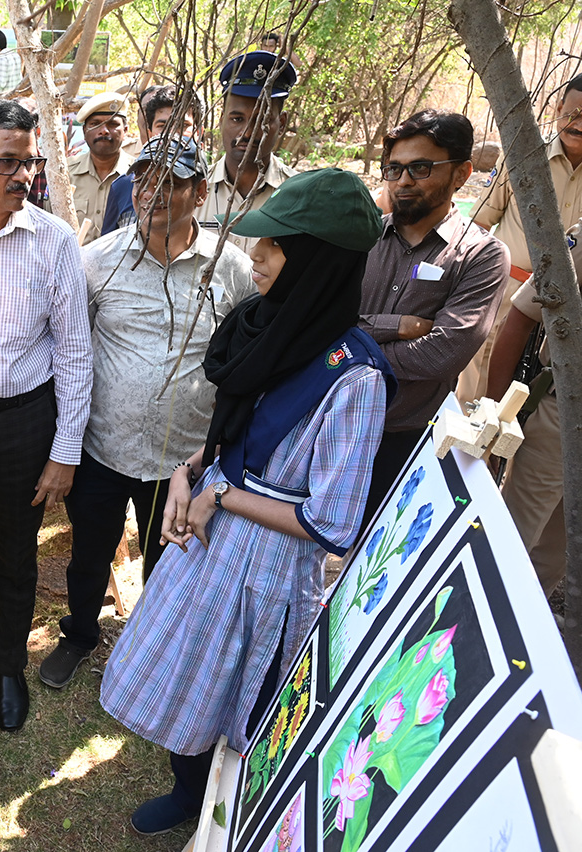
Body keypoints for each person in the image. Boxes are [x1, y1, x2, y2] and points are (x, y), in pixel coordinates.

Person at [100, 169, 395, 837]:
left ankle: (233, 818)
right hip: (214, 526)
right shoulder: (267, 326)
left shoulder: (354, 376)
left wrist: (224, 497)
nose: (255, 258)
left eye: (275, 248)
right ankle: (187, 792)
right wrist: (188, 471)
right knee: (191, 670)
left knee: (242, 691)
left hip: (266, 562)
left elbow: (330, 519)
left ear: (317, 264)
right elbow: (233, 437)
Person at [39, 135, 255, 690]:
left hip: (186, 461)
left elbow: (246, 354)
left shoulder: (230, 268)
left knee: (172, 559)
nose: (152, 192)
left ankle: (159, 646)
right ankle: (80, 634)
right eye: (143, 179)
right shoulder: (97, 262)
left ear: (201, 192)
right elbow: (69, 350)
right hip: (104, 448)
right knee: (89, 553)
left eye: (171, 181)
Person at [0, 100, 93, 731]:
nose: (22, 175)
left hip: (22, 421)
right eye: (7, 162)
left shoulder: (54, 239)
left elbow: (71, 349)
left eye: (30, 161)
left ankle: (8, 666)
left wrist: (65, 449)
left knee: (16, 554)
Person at [359, 110, 508, 518]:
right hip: (328, 425)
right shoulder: (361, 236)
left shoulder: (482, 256)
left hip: (405, 438)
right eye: (394, 168)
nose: (404, 181)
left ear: (461, 174)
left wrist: (347, 355)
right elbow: (320, 323)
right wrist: (398, 326)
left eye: (420, 168)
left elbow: (442, 353)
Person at [460, 73, 582, 400]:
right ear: (558, 108)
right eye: (573, 113)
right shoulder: (523, 154)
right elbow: (479, 223)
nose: (579, 124)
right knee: (475, 397)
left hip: (566, 314)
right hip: (501, 294)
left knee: (534, 404)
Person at [485, 221, 579, 596]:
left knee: (555, 556)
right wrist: (494, 412)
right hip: (562, 417)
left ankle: (520, 640)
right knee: (511, 540)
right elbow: (520, 318)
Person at [197, 51, 299, 241]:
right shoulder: (194, 192)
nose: (248, 133)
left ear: (282, 123)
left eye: (262, 121)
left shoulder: (299, 197)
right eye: (237, 119)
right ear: (221, 120)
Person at [101, 86, 201, 236]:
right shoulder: (124, 185)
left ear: (198, 132)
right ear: (150, 134)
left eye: (183, 125)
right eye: (162, 126)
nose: (171, 134)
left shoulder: (211, 185)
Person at [68, 92, 135, 244]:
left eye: (112, 124)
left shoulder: (139, 176)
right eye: (95, 124)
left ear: (125, 130)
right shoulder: (64, 174)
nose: (104, 130)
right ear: (84, 131)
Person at [0, 31, 22, 96]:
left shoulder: (2, 59)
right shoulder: (15, 54)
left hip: (4, 99)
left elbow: (1, 84)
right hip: (15, 96)